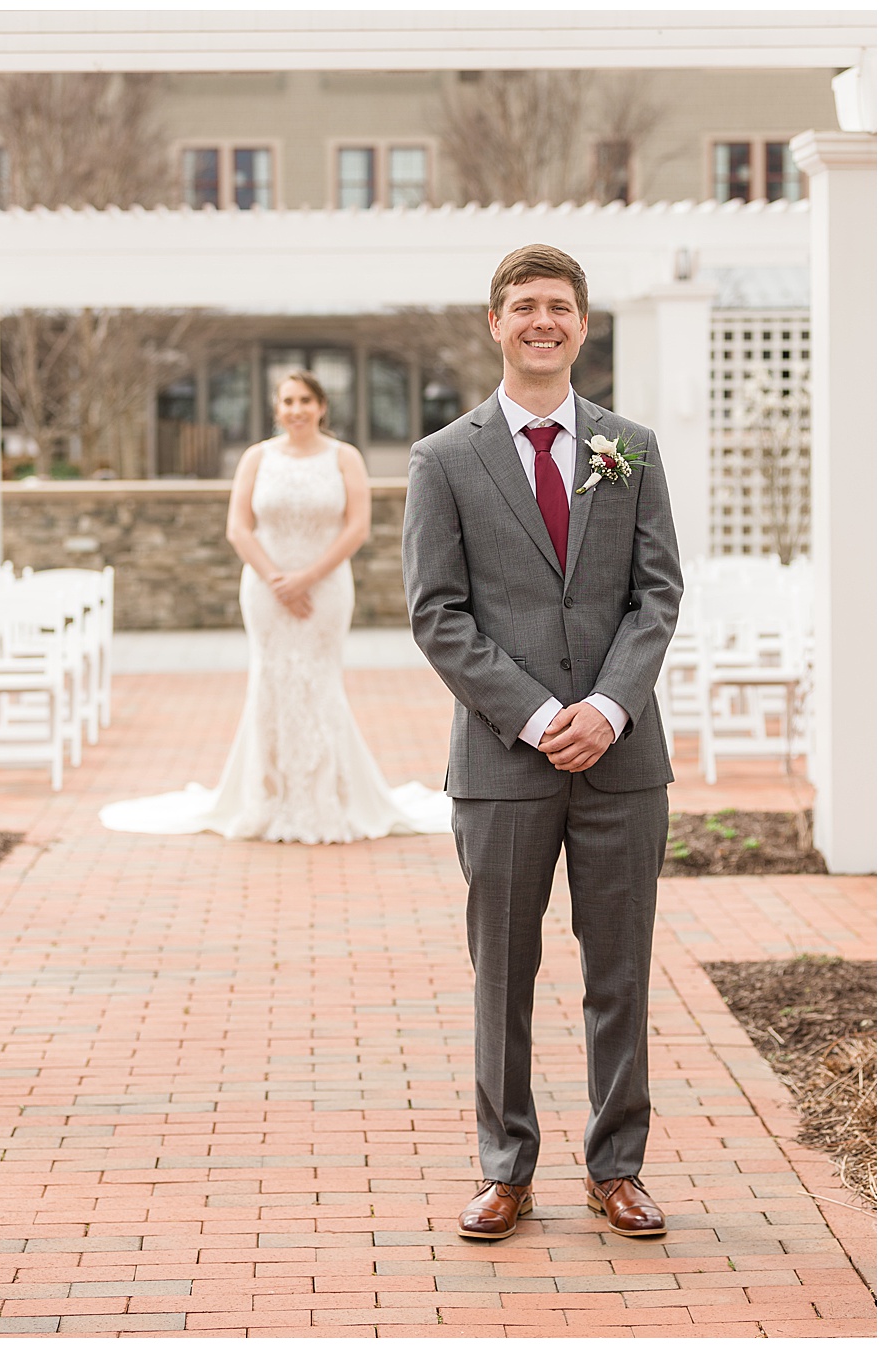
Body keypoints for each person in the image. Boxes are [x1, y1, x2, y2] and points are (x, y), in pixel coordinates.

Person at [402, 244, 682, 1242]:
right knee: (503, 974)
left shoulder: (630, 448)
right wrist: (533, 714)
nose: (542, 321)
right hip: (502, 765)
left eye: (558, 306)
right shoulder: (443, 459)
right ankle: (505, 1169)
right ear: (495, 323)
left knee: (621, 972)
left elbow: (658, 594)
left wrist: (608, 708)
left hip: (623, 761)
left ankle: (618, 1167)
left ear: (582, 324)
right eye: (524, 306)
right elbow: (437, 613)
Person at [99, 370, 449, 843]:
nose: (296, 409)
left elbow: (357, 527)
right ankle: (265, 795)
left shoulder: (345, 457)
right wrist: (276, 579)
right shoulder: (256, 457)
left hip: (326, 588)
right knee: (270, 678)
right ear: (276, 408)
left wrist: (306, 577)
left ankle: (327, 795)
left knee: (319, 678)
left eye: (305, 399)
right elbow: (238, 528)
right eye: (287, 401)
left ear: (322, 405)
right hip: (265, 591)